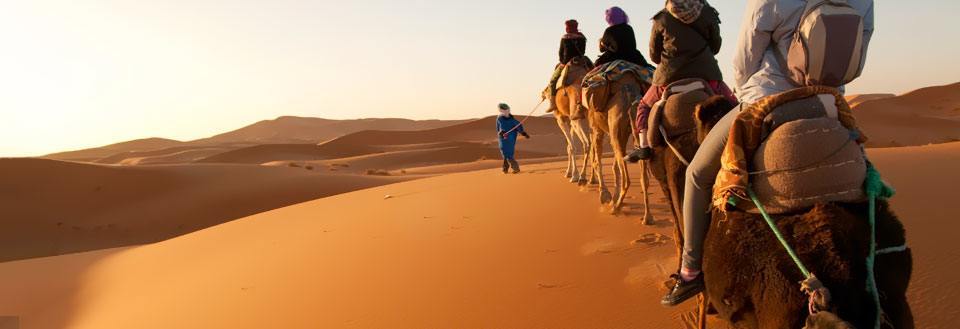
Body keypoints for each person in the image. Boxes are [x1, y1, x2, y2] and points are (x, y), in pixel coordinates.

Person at [660, 0, 875, 307]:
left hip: (767, 97)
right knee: (865, 170)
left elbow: (745, 59)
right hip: (828, 102)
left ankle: (690, 271)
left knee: (696, 174)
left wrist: (748, 94)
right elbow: (858, 52)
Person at [626, 0, 737, 163]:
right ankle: (742, 139)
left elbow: (654, 56)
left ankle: (643, 145)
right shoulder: (707, 13)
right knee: (734, 105)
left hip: (668, 78)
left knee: (643, 106)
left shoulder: (661, 18)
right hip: (707, 75)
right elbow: (716, 46)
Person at [546, 20, 590, 113]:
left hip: (567, 62)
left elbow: (561, 53)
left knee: (553, 81)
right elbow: (582, 52)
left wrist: (563, 62)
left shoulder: (565, 38)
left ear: (568, 27)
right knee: (594, 72)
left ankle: (552, 103)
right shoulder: (582, 37)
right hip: (581, 61)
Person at [496, 103, 531, 174]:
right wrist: (501, 133)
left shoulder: (512, 120)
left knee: (508, 154)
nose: (506, 110)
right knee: (505, 153)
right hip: (503, 139)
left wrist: (524, 133)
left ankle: (515, 168)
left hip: (510, 139)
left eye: (506, 109)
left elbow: (519, 127)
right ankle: (505, 169)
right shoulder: (499, 119)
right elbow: (498, 129)